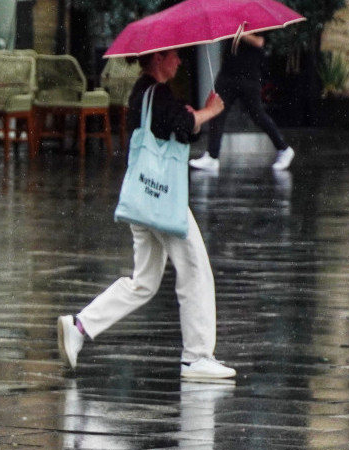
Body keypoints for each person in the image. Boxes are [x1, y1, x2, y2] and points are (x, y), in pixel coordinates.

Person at [57, 49, 236, 381]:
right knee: (195, 269)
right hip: (163, 199)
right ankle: (196, 356)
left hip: (143, 198)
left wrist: (192, 115)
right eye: (174, 57)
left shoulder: (144, 93)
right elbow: (184, 125)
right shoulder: (157, 92)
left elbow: (179, 129)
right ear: (159, 59)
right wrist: (209, 110)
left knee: (144, 281)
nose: (179, 62)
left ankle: (80, 326)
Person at [189, 32, 294, 172]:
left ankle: (284, 148)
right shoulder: (231, 17)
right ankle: (212, 156)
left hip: (249, 75)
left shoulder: (256, 19)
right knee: (216, 111)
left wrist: (241, 34)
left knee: (257, 114)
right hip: (228, 73)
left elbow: (259, 41)